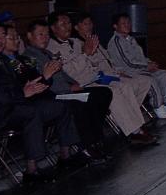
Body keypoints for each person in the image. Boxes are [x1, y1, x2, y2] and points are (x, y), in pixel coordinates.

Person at [0, 20, 81, 181]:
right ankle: (31, 171)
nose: (0, 39)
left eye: (2, 36)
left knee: (60, 106)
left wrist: (42, 80)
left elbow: (26, 84)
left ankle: (65, 155)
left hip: (14, 105)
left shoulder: (4, 60)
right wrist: (23, 93)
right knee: (31, 112)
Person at [48, 11, 158, 147]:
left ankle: (133, 124)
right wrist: (86, 55)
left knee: (127, 86)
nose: (67, 27)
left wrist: (108, 71)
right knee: (115, 91)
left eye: (69, 23)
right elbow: (70, 72)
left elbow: (99, 61)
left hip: (96, 77)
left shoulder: (75, 42)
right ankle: (134, 131)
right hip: (81, 83)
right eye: (63, 24)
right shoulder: (52, 48)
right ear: (53, 28)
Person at [24, 19, 113, 160]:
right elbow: (41, 81)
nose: (45, 38)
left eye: (47, 34)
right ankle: (85, 145)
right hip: (54, 94)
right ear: (29, 36)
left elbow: (63, 74)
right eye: (40, 34)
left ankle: (96, 138)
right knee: (81, 104)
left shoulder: (47, 53)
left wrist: (76, 84)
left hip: (67, 90)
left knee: (103, 93)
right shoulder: (28, 57)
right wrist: (69, 88)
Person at [106, 14, 166, 118]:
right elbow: (128, 62)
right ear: (115, 26)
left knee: (163, 74)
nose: (127, 25)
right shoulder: (116, 42)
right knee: (150, 78)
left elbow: (140, 57)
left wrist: (150, 63)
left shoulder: (131, 39)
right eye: (123, 23)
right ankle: (158, 106)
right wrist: (146, 67)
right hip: (128, 72)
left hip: (139, 68)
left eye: (128, 22)